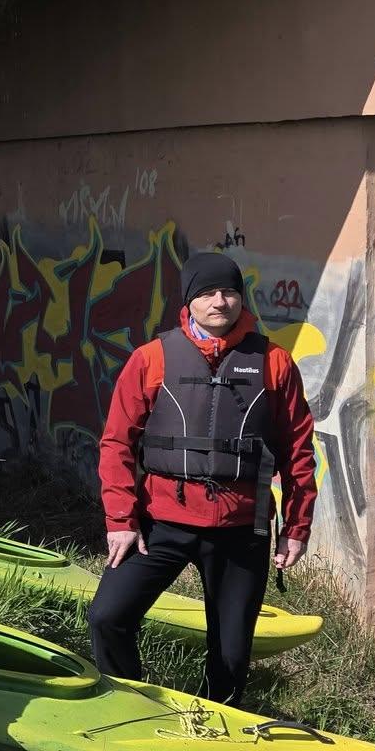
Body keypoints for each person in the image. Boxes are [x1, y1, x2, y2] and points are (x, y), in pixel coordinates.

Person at [88, 251, 315, 706]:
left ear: (240, 298)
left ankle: (214, 723)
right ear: (189, 300)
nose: (219, 302)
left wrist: (296, 527)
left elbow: (298, 450)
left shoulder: (274, 363)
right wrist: (121, 520)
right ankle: (131, 702)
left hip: (241, 528)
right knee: (107, 617)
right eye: (207, 292)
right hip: (161, 523)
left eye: (229, 292)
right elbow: (116, 444)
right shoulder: (151, 359)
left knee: (230, 657)